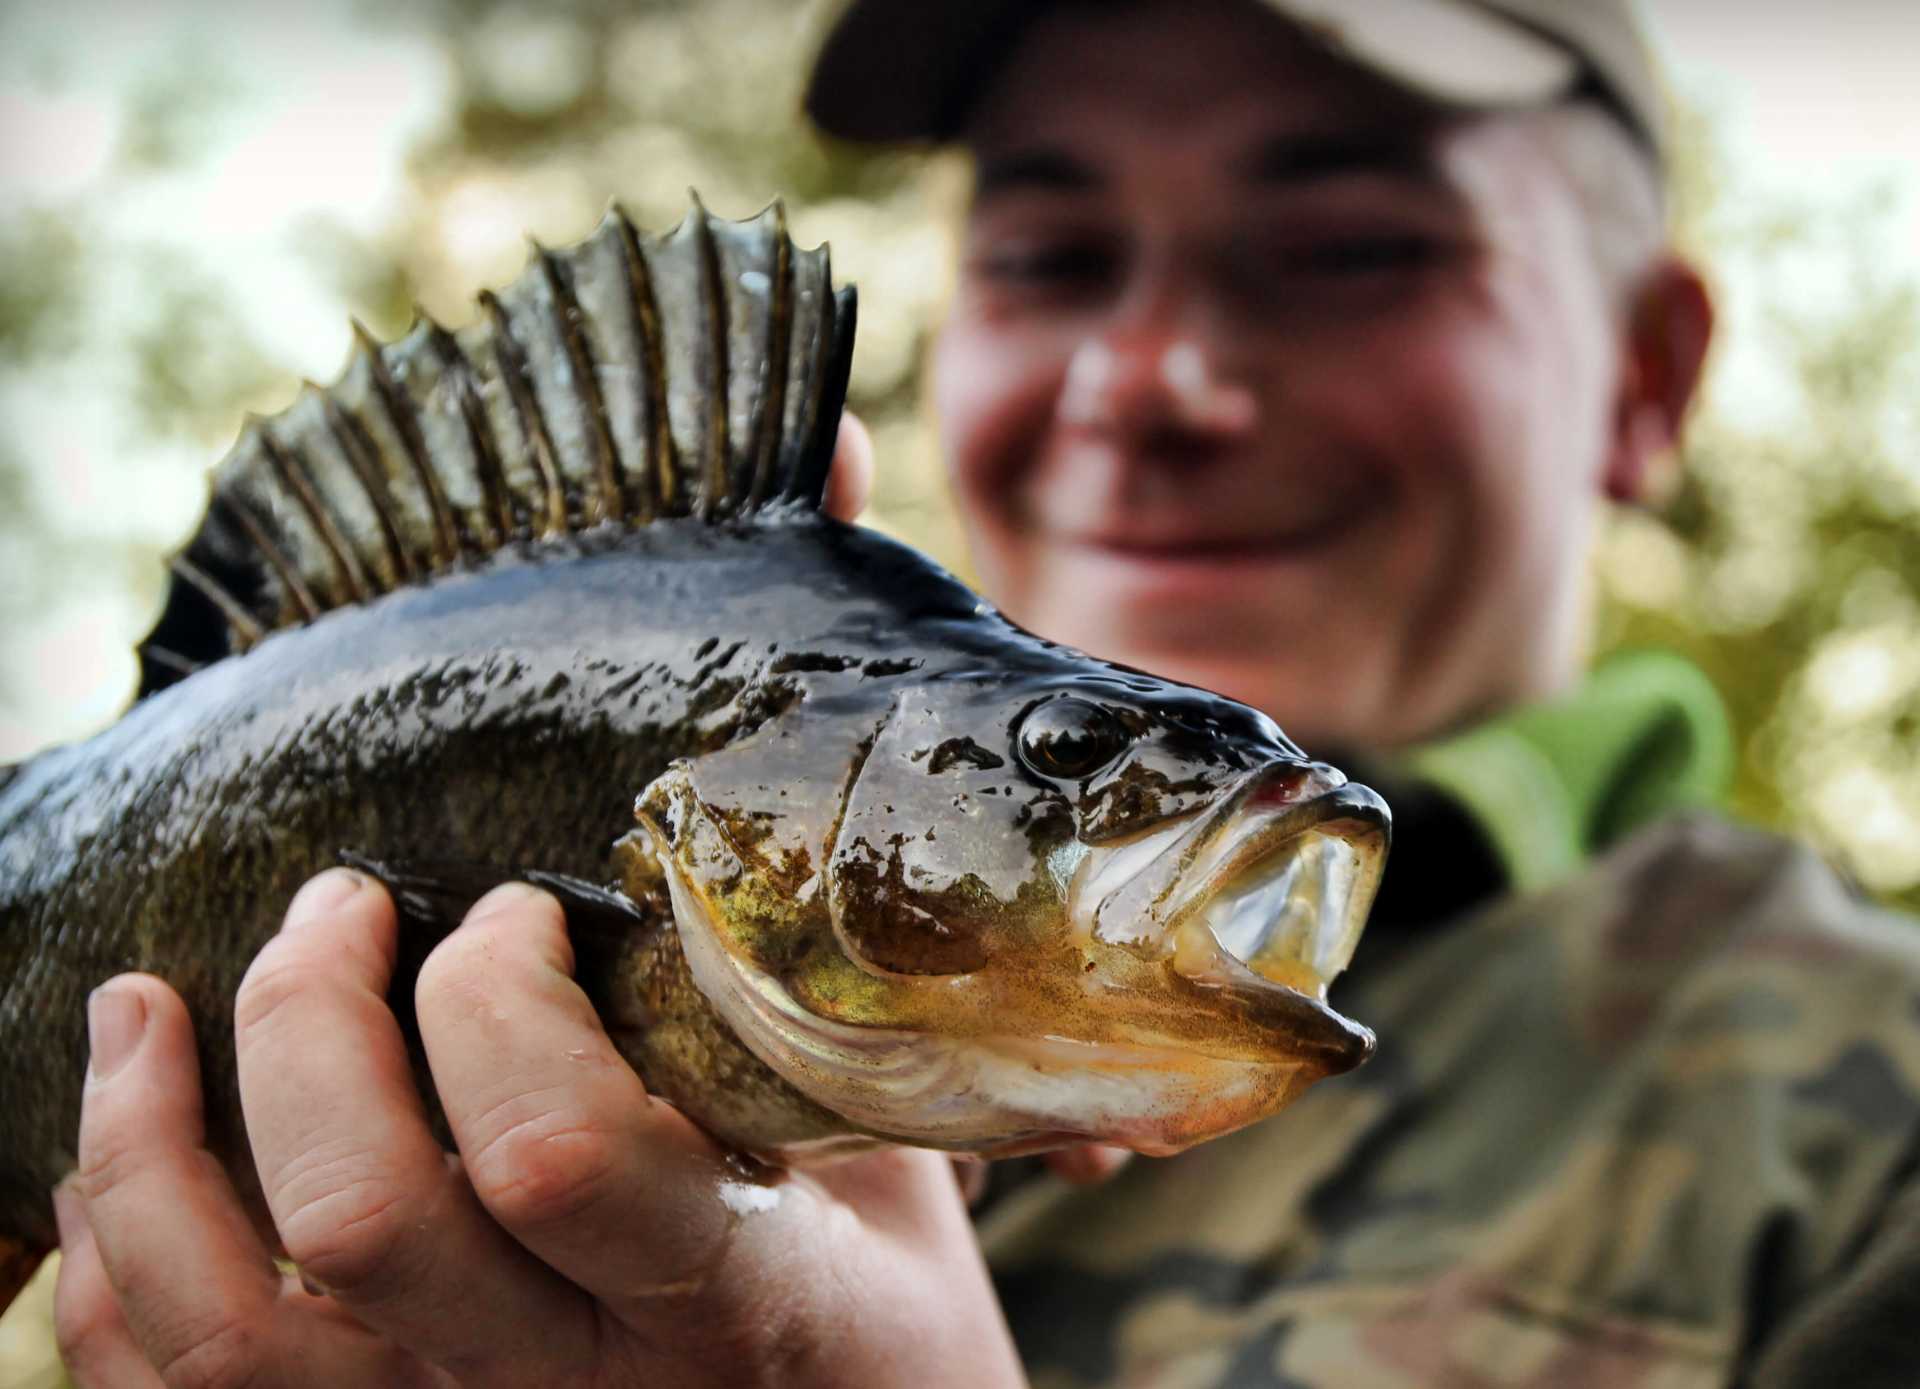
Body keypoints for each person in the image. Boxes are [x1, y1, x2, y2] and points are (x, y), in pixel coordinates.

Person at [47, 1, 1920, 1385]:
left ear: (1650, 375)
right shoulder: (959, 1022)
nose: (1149, 379)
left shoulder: (1869, 1161)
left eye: (1348, 250)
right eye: (1052, 254)